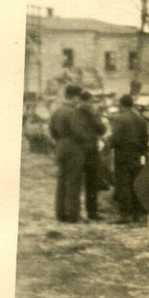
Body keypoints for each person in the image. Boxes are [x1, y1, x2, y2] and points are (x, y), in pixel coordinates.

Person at [48, 84, 94, 223]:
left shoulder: (58, 111)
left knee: (62, 182)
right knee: (73, 182)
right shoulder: (73, 112)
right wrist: (87, 140)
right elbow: (78, 132)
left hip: (61, 147)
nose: (78, 101)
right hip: (74, 149)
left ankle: (60, 214)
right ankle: (73, 215)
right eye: (78, 98)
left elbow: (52, 130)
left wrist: (60, 141)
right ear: (73, 97)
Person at [108, 94, 149, 223]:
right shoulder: (140, 119)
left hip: (123, 155)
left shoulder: (119, 119)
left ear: (121, 105)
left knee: (123, 184)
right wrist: (142, 151)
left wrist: (109, 143)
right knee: (135, 184)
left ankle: (124, 215)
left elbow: (116, 138)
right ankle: (137, 214)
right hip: (137, 155)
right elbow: (146, 138)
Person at [78, 90, 107, 221]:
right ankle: (92, 212)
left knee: (76, 183)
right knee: (91, 183)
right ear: (88, 101)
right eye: (91, 101)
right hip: (90, 151)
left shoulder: (74, 112)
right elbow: (101, 129)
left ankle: (76, 212)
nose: (92, 103)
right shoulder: (91, 113)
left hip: (78, 151)